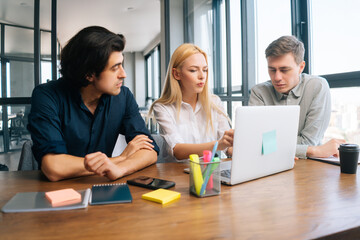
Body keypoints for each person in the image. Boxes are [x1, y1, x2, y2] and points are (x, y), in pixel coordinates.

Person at [28, 26, 159, 182]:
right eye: (115, 68)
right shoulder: (47, 96)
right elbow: (54, 167)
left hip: (102, 187)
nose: (123, 74)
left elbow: (149, 151)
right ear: (89, 74)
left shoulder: (123, 96)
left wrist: (120, 169)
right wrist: (120, 158)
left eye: (121, 64)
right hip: (57, 193)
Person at [249, 35, 345, 159]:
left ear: (301, 67)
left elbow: (309, 142)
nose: (277, 77)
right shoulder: (259, 92)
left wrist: (270, 143)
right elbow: (255, 143)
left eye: (284, 70)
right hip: (269, 163)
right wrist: (314, 151)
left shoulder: (317, 87)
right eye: (272, 70)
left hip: (309, 167)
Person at [148, 43, 233, 162]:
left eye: (205, 70)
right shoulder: (162, 107)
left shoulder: (214, 102)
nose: (202, 76)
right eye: (193, 70)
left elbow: (227, 146)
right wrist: (218, 145)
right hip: (176, 174)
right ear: (177, 74)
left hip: (208, 172)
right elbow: (177, 150)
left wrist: (234, 146)